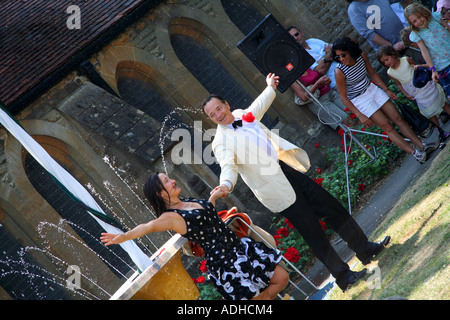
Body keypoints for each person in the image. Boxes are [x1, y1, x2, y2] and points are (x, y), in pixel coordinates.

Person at [202, 72, 391, 292]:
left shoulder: (241, 114)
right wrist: (225, 185)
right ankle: (344, 277)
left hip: (286, 170)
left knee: (332, 208)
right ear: (210, 119)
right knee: (314, 233)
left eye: (218, 108)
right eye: (211, 114)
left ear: (226, 104)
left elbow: (258, 106)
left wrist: (270, 87)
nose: (217, 114)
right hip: (275, 189)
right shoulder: (220, 142)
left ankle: (365, 248)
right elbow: (228, 166)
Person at [101, 172, 289, 300]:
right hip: (226, 261)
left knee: (281, 278)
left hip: (239, 247)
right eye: (167, 181)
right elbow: (147, 226)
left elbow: (206, 220)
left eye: (169, 178)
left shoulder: (186, 201)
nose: (173, 181)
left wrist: (212, 199)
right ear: (160, 193)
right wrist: (125, 236)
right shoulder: (170, 217)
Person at [332, 37, 431, 163]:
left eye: (343, 55)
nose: (341, 59)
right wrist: (359, 114)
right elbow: (343, 97)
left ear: (350, 50)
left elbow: (372, 73)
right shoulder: (339, 71)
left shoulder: (361, 56)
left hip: (371, 88)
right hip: (359, 99)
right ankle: (415, 153)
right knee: (388, 127)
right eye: (338, 57)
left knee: (398, 118)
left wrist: (386, 89)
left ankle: (423, 146)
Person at [376, 45, 450, 138]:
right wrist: (405, 93)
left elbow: (418, 68)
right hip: (415, 92)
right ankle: (440, 131)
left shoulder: (405, 60)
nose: (386, 63)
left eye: (387, 59)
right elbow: (398, 84)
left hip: (424, 85)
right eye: (384, 62)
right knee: (429, 111)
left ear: (393, 54)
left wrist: (416, 68)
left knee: (441, 102)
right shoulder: (390, 72)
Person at [404, 3, 450, 99]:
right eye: (414, 21)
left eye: (419, 17)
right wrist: (432, 69)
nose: (419, 21)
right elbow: (424, 51)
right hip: (441, 65)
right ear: (411, 24)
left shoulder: (435, 18)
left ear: (423, 12)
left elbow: (448, 28)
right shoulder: (417, 34)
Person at [291, 68, 356, 130]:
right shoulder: (292, 77)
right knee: (346, 120)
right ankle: (360, 138)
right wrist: (317, 84)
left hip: (330, 92)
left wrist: (325, 80)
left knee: (353, 112)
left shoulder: (305, 66)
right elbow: (304, 97)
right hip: (320, 102)